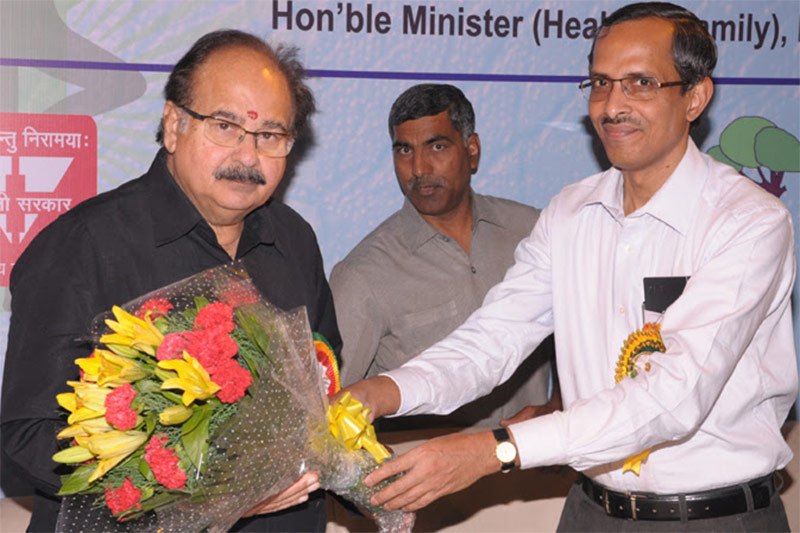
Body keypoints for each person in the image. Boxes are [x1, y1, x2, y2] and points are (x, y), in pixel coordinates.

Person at [342, 3, 797, 531]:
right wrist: (384, 392)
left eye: (641, 83)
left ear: (695, 96)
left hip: (715, 517)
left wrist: (495, 450)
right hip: (590, 510)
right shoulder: (569, 213)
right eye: (601, 83)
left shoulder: (748, 222)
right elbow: (493, 339)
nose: (612, 106)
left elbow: (674, 397)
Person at [1, 30, 337, 532]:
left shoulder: (294, 240)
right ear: (174, 125)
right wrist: (209, 497)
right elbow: (30, 435)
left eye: (270, 136)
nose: (249, 156)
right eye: (225, 126)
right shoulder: (84, 245)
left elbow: (323, 379)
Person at [330, 84, 557, 429]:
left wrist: (557, 405)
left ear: (472, 150)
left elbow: (584, 342)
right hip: (421, 464)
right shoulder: (363, 274)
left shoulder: (534, 232)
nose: (419, 168)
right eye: (404, 150)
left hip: (536, 460)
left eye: (437, 146)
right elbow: (329, 414)